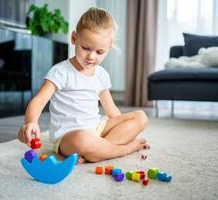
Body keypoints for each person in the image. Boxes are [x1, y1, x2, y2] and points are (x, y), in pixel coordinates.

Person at [18, 7, 149, 163]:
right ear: (74, 38)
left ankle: (96, 152)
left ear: (109, 47)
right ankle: (123, 149)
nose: (91, 57)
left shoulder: (101, 75)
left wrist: (122, 128)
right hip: (69, 136)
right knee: (83, 139)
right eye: (85, 48)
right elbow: (38, 101)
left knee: (141, 117)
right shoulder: (60, 71)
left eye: (100, 52)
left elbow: (112, 111)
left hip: (96, 129)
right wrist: (30, 122)